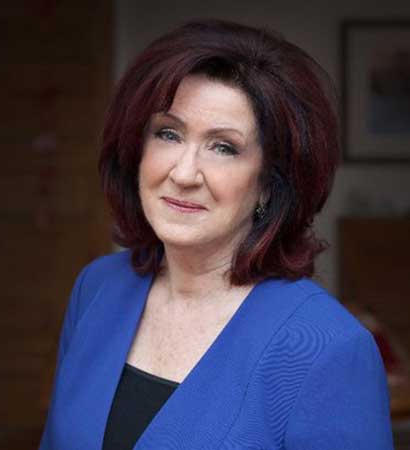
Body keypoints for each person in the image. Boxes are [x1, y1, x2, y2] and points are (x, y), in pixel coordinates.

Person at [39, 19, 394, 450]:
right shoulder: (98, 288)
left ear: (270, 182)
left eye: (223, 147)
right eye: (168, 133)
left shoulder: (328, 347)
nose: (184, 173)